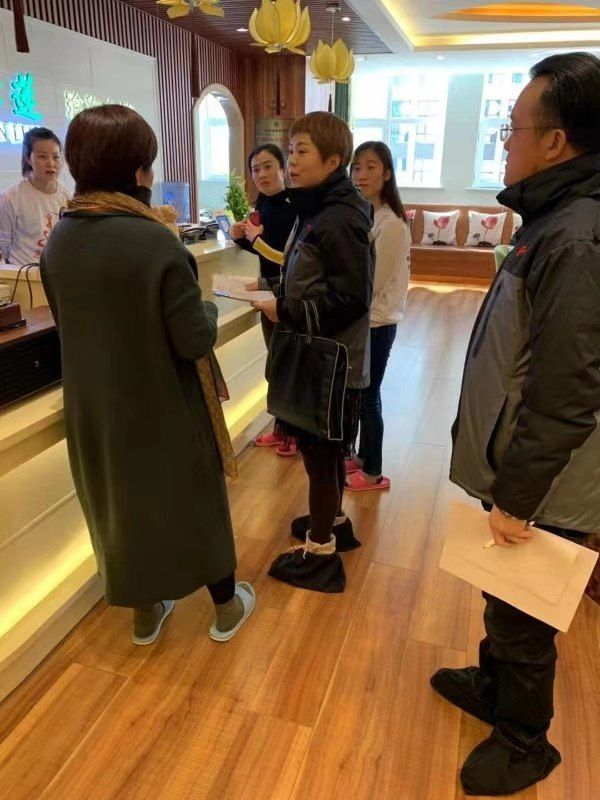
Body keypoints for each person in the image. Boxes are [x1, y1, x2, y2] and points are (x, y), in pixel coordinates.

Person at [431, 52, 600, 796]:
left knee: (525, 611)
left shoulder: (576, 235)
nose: (506, 142)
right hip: (527, 467)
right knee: (502, 592)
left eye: (513, 128)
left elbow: (565, 391)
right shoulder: (556, 219)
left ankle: (525, 740)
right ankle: (495, 687)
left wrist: (518, 496)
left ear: (556, 141)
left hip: (549, 478)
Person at [40, 105, 255, 645]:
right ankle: (226, 609)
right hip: (164, 406)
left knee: (121, 509)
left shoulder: (60, 240)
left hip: (96, 411)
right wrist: (208, 307)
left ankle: (145, 614)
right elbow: (193, 339)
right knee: (196, 503)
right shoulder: (156, 241)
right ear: (137, 171)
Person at [252, 111, 374, 592]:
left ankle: (320, 552)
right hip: (322, 356)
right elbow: (314, 279)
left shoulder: (339, 218)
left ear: (333, 160)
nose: (292, 161)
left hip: (332, 363)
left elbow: (352, 299)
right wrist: (277, 293)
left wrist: (285, 309)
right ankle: (333, 523)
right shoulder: (319, 207)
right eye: (291, 151)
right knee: (323, 451)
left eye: (302, 152)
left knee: (323, 455)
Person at [347, 141, 411, 492]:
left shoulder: (392, 223)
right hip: (363, 321)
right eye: (357, 167)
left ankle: (373, 471)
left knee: (369, 397)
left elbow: (374, 283)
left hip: (378, 322)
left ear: (387, 174)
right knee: (360, 395)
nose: (362, 174)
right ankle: (361, 456)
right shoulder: (364, 214)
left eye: (371, 167)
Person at [231, 143, 298, 456]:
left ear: (283, 167)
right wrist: (240, 238)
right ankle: (283, 429)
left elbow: (288, 260)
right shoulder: (264, 204)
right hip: (268, 290)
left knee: (286, 364)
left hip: (287, 294)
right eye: (255, 169)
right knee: (276, 362)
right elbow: (264, 251)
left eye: (268, 166)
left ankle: (291, 432)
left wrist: (254, 239)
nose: (261, 174)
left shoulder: (293, 205)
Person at [0, 127, 70, 266]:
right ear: (28, 158)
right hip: (20, 273)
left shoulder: (67, 198)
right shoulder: (10, 197)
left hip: (55, 274)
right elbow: (3, 245)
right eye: (42, 156)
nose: (51, 163)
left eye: (56, 157)